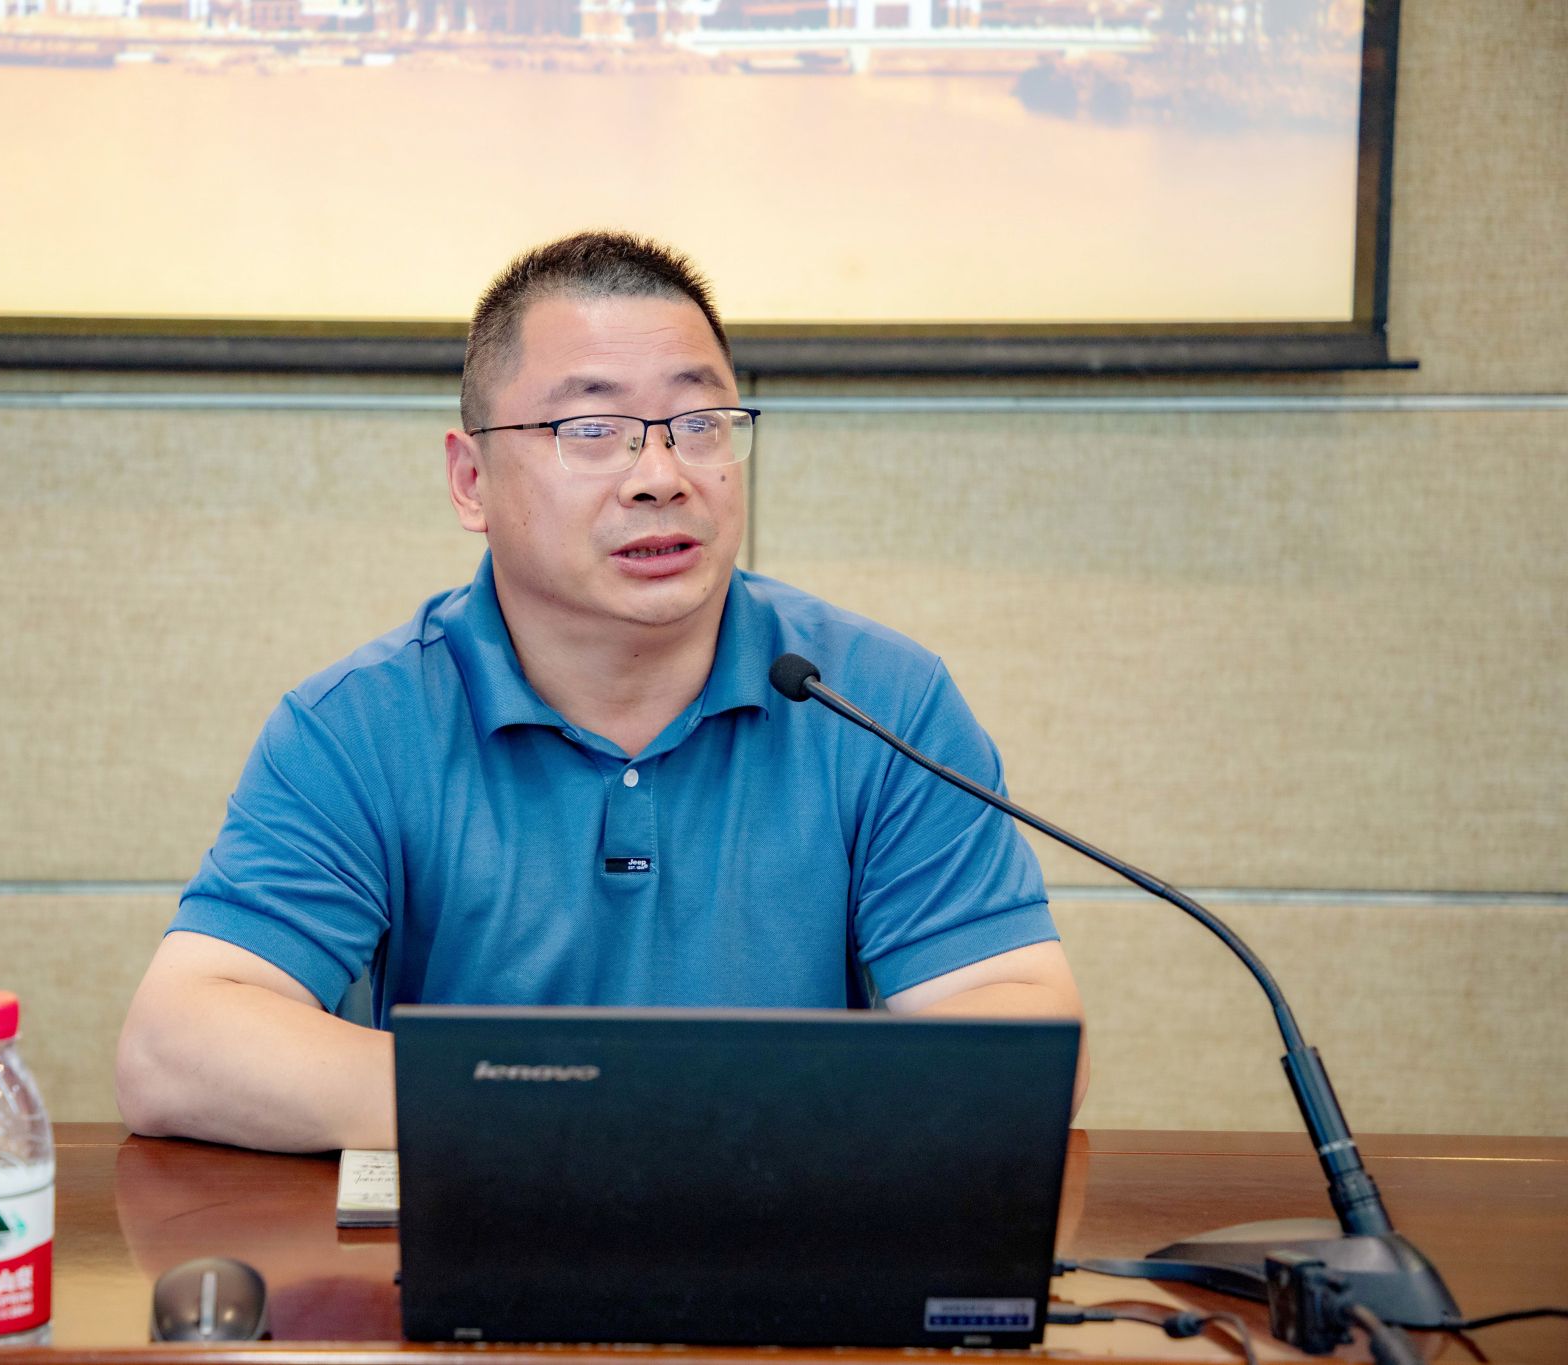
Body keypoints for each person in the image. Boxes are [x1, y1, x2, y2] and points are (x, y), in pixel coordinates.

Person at [117, 232, 1087, 1152]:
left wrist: (679, 1122)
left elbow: (1028, 1034)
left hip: (782, 1233)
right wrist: (574, 1112)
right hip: (481, 1231)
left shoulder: (873, 699)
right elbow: (176, 1045)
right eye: (592, 430)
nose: (660, 476)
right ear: (471, 480)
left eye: (698, 425)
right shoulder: (360, 725)